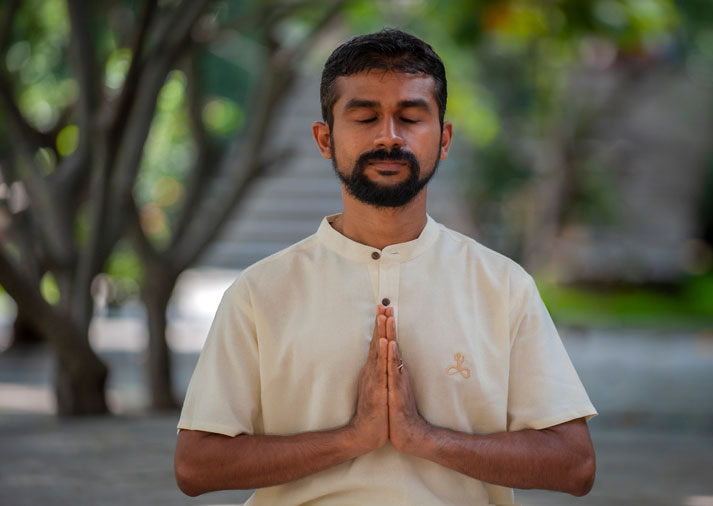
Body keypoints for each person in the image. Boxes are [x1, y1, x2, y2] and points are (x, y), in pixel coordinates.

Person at [174, 28, 597, 506]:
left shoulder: (503, 286)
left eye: (411, 116)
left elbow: (574, 463)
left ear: (444, 138)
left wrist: (424, 438)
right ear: (324, 138)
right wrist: (352, 438)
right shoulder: (260, 292)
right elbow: (196, 465)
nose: (388, 137)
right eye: (365, 116)